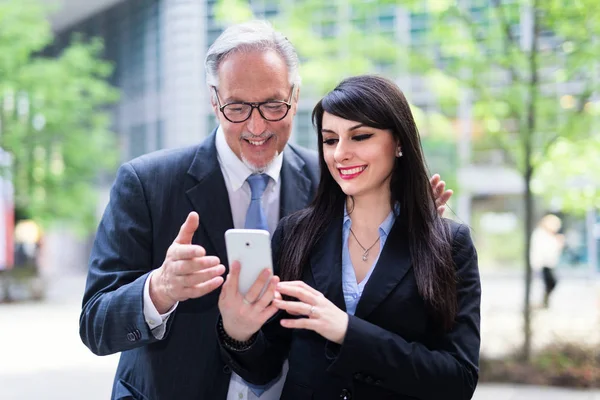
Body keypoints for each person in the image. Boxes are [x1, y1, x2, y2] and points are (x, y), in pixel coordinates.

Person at [79, 21, 452, 400]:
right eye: (237, 107)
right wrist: (159, 290)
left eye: (273, 106)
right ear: (214, 100)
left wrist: (408, 230)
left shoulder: (336, 183)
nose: (257, 127)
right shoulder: (147, 184)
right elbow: (95, 324)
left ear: (294, 95)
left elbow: (368, 309)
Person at [218, 75, 480, 400]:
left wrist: (346, 330)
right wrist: (238, 332)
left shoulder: (448, 244)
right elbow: (265, 368)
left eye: (360, 136)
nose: (340, 154)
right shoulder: (295, 234)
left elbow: (458, 380)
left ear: (399, 142)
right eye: (330, 140)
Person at [530, 214, 564, 308]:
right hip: (542, 264)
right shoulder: (541, 234)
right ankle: (542, 302)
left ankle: (544, 301)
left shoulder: (549, 235)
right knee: (547, 283)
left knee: (550, 283)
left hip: (549, 263)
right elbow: (544, 250)